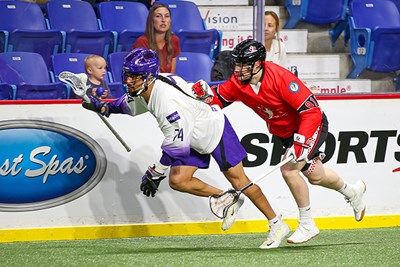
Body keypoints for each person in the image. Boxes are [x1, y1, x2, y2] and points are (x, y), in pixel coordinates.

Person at [81, 47, 292, 249]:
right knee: (179, 181)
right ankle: (226, 198)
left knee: (240, 182)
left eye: (134, 76)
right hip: (191, 132)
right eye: (127, 75)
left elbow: (177, 145)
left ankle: (277, 224)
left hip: (214, 129)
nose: (128, 81)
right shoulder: (149, 86)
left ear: (148, 77)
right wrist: (103, 106)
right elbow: (129, 105)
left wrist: (155, 173)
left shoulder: (166, 102)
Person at [193, 39, 367, 244]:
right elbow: (219, 100)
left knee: (289, 170)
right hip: (284, 133)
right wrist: (204, 96)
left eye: (242, 64)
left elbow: (312, 111)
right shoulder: (238, 82)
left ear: (257, 64)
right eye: (237, 64)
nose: (237, 69)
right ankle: (352, 191)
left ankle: (307, 224)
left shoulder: (281, 79)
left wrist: (300, 142)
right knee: (315, 175)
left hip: (309, 125)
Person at [132, 3, 181, 74]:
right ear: (151, 20)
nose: (163, 20)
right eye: (158, 16)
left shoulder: (174, 40)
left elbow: (171, 74)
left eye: (167, 16)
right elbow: (140, 74)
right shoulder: (142, 42)